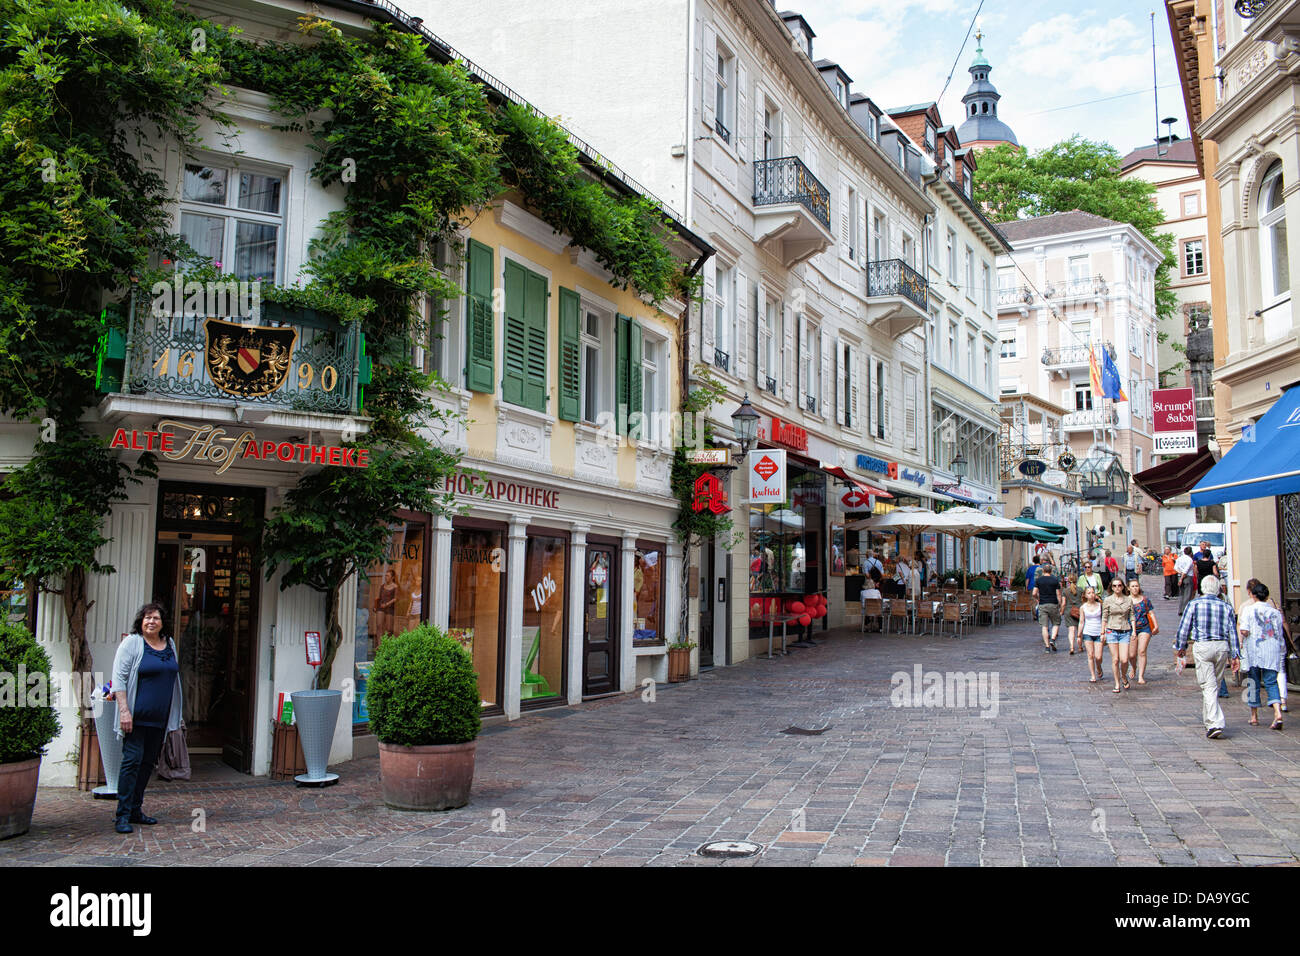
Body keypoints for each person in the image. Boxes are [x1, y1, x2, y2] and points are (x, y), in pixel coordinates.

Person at [111, 603, 183, 834]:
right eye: (147, 618)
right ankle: (122, 815)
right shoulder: (132, 643)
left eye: (156, 618)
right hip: (135, 718)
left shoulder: (169, 644)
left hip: (159, 719)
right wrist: (124, 711)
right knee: (131, 762)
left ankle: (135, 809)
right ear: (140, 622)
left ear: (163, 622)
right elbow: (119, 678)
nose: (151, 622)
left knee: (146, 764)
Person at [1174, 575, 1241, 738]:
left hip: (1203, 646)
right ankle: (1209, 721)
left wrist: (1180, 647)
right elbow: (1233, 632)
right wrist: (1235, 654)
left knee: (1208, 685)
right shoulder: (1226, 607)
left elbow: (1184, 628)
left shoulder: (1194, 604)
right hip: (1221, 646)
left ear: (1202, 588)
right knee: (1213, 685)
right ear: (1218, 589)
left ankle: (1215, 723)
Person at [1239, 580, 1286, 730]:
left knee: (1253, 681)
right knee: (1271, 681)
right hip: (1271, 649)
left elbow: (1244, 630)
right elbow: (1279, 632)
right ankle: (1277, 712)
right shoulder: (1275, 612)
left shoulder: (1248, 610)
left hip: (1255, 649)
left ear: (1253, 595)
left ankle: (1254, 716)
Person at [1101, 577, 1136, 693]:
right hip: (1112, 630)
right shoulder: (1107, 600)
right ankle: (1116, 683)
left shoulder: (1128, 600)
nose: (1117, 588)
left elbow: (1132, 616)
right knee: (1115, 659)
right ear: (1111, 587)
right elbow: (1104, 617)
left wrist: (1134, 630)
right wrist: (1102, 632)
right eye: (1115, 586)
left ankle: (1124, 676)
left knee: (1124, 659)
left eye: (1119, 585)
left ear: (1123, 587)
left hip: (1125, 630)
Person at [1128, 578, 1156, 685]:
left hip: (1145, 627)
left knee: (1142, 651)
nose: (1135, 588)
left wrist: (1155, 625)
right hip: (1131, 629)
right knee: (1131, 655)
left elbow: (1151, 613)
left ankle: (1141, 676)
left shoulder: (1144, 600)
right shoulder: (1126, 600)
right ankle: (1134, 667)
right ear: (1128, 588)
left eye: (1136, 586)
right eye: (1133, 586)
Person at [1033, 563, 1062, 653]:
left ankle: (1046, 647)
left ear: (1043, 571)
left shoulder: (1038, 580)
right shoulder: (1055, 580)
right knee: (1056, 623)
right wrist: (1060, 604)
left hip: (1043, 604)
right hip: (1053, 603)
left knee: (1044, 626)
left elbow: (1034, 593)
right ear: (1051, 571)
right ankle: (1052, 639)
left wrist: (1038, 599)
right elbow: (1058, 594)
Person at [1079, 586, 1105, 682]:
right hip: (1087, 632)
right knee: (1090, 655)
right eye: (1089, 593)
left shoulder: (1100, 605)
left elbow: (1104, 620)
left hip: (1098, 632)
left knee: (1098, 657)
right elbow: (1081, 622)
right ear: (1085, 595)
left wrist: (1103, 631)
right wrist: (1079, 635)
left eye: (1093, 592)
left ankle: (1098, 667)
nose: (1091, 594)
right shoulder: (1083, 607)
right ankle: (1093, 675)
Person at [1060, 573, 1082, 654]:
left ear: (1068, 581)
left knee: (1071, 630)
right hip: (1079, 611)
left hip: (1069, 611)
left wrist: (1061, 611)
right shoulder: (1080, 590)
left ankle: (1072, 647)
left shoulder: (1065, 591)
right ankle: (1080, 647)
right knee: (1079, 630)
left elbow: (1063, 603)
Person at [1175, 546, 1196, 614]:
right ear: (1191, 552)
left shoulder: (1179, 558)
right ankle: (1184, 610)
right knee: (1187, 594)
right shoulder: (1189, 560)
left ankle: (1180, 609)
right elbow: (1186, 570)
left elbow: (1175, 568)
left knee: (1182, 594)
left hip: (1180, 575)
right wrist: (1182, 578)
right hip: (1187, 577)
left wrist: (1180, 573)